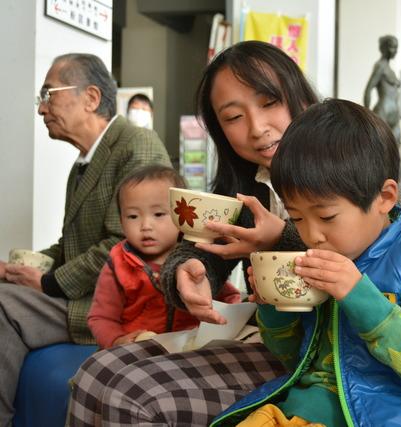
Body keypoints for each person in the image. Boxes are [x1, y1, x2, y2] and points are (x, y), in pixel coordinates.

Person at [67, 40, 319, 426]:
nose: (257, 128)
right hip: (268, 340)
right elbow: (198, 250)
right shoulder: (247, 182)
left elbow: (364, 254)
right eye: (234, 117)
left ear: (298, 96)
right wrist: (187, 274)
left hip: (325, 353)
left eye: (269, 103)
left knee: (128, 393)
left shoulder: (341, 163)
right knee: (93, 373)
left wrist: (279, 238)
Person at [212, 99, 401, 426]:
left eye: (327, 216)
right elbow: (290, 355)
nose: (312, 235)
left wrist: (357, 294)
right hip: (304, 408)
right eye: (296, 218)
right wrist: (274, 305)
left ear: (385, 198)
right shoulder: (323, 257)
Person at [0, 53, 171, 425]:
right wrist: (14, 270)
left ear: (91, 98)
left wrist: (48, 282)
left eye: (48, 94)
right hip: (84, 292)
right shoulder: (83, 163)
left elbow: (123, 244)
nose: (42, 108)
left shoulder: (136, 144)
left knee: (3, 305)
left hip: (117, 303)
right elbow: (68, 246)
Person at [87, 165, 241, 349]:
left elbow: (229, 298)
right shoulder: (118, 263)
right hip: (134, 350)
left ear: (182, 217)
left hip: (187, 349)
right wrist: (117, 340)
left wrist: (225, 323)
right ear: (120, 221)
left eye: (159, 214)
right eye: (133, 216)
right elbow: (101, 317)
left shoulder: (196, 258)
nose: (146, 225)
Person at [364, 34, 401, 144]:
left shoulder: (391, 70)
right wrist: (367, 113)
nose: (395, 51)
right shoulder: (380, 66)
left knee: (395, 149)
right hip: (383, 112)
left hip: (394, 114)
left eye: (396, 47)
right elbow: (368, 89)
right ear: (384, 48)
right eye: (392, 47)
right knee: (383, 148)